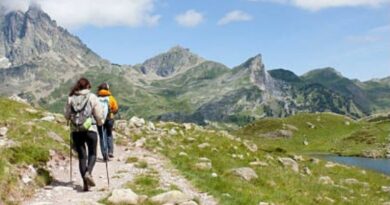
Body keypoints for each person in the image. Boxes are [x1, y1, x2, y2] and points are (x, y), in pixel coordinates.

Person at [64, 77, 104, 191]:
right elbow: (98, 114)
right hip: (90, 128)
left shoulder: (71, 98)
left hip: (76, 130)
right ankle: (89, 173)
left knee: (82, 157)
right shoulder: (92, 97)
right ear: (88, 86)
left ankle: (85, 184)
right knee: (93, 154)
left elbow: (67, 115)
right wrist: (100, 123)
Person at [97, 82, 118, 160]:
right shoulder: (111, 98)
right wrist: (112, 112)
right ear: (107, 89)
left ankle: (104, 155)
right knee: (109, 134)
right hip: (109, 119)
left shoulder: (97, 98)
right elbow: (115, 108)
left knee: (102, 136)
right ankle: (110, 151)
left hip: (99, 120)